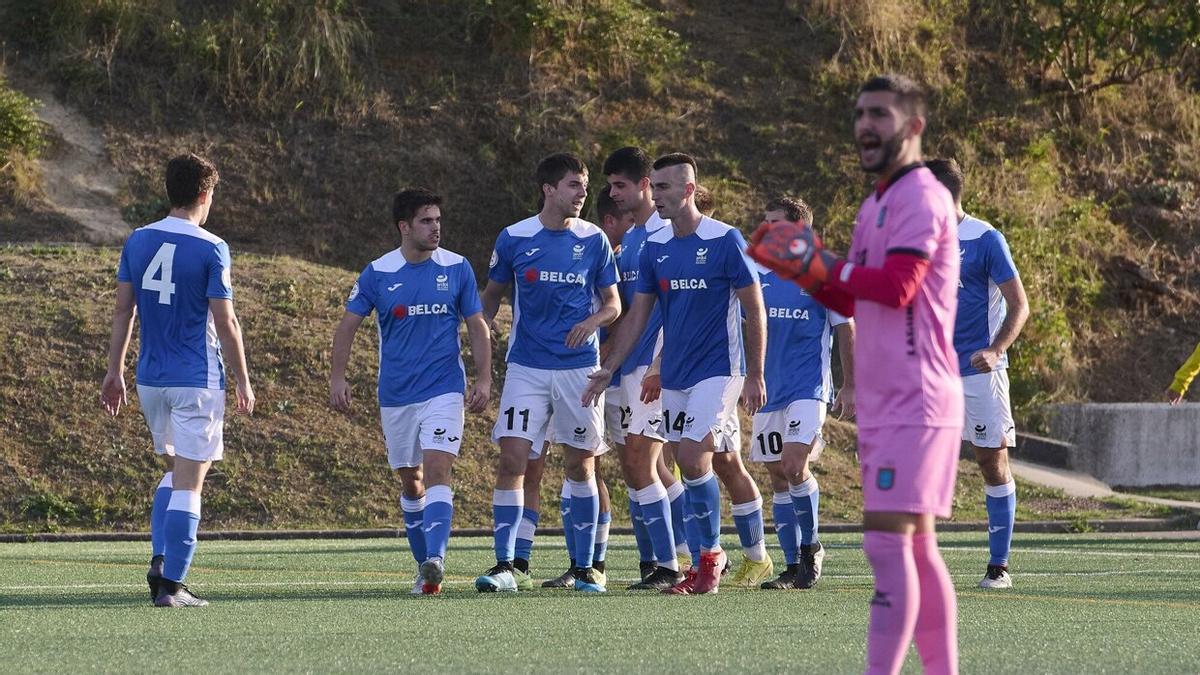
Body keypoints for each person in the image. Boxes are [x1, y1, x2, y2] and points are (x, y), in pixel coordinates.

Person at [748, 74, 962, 674]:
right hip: (890, 397)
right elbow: (850, 303)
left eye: (881, 115)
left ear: (913, 127)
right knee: (913, 552)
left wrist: (816, 262)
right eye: (860, 113)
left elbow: (897, 288)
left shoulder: (920, 197)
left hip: (916, 396)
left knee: (890, 549)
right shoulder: (875, 205)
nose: (866, 125)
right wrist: (806, 275)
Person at [582, 152, 768, 595]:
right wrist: (609, 367)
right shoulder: (656, 249)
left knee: (688, 458)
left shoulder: (725, 240)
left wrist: (756, 373)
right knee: (716, 462)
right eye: (655, 187)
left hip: (720, 371)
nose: (657, 195)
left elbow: (753, 307)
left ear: (688, 190)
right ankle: (723, 557)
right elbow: (638, 318)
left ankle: (709, 560)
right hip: (676, 376)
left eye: (664, 187)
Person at [100, 153, 254, 608]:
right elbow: (226, 323)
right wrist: (243, 381)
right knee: (191, 481)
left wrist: (114, 372)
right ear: (205, 195)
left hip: (150, 379)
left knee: (173, 472)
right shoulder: (211, 247)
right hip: (197, 380)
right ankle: (173, 586)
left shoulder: (137, 240)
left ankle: (161, 560)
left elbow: (122, 312)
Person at [329, 188, 492, 595]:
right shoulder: (378, 273)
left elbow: (476, 324)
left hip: (444, 389)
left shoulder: (456, 267)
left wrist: (484, 377)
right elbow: (347, 326)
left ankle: (436, 558)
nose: (435, 227)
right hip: (397, 394)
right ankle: (425, 568)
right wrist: (338, 378)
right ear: (404, 226)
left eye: (438, 219)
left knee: (438, 469)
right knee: (411, 481)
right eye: (426, 220)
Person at [476, 152, 620, 593]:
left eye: (584, 184)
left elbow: (613, 305)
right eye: (574, 185)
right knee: (513, 458)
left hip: (579, 370)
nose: (582, 194)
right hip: (526, 369)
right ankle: (508, 565)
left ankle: (584, 568)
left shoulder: (593, 239)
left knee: (580, 465)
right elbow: (490, 299)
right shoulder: (514, 238)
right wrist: (479, 351)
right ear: (549, 189)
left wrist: (591, 322)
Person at [927, 158, 1029, 589]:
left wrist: (996, 349)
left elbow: (1019, 304)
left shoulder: (985, 238)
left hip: (979, 372)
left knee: (991, 460)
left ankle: (999, 566)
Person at [752, 196, 856, 591]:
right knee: (778, 475)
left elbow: (847, 330)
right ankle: (791, 564)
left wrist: (850, 384)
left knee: (795, 464)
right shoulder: (760, 272)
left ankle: (810, 547)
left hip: (808, 388)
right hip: (768, 390)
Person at [602, 147, 687, 590]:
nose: (613, 194)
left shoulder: (664, 232)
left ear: (644, 186)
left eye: (620, 185)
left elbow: (676, 306)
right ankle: (680, 553)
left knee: (642, 459)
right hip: (627, 366)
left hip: (655, 365)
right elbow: (627, 309)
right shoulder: (632, 237)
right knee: (641, 466)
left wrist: (660, 362)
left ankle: (671, 564)